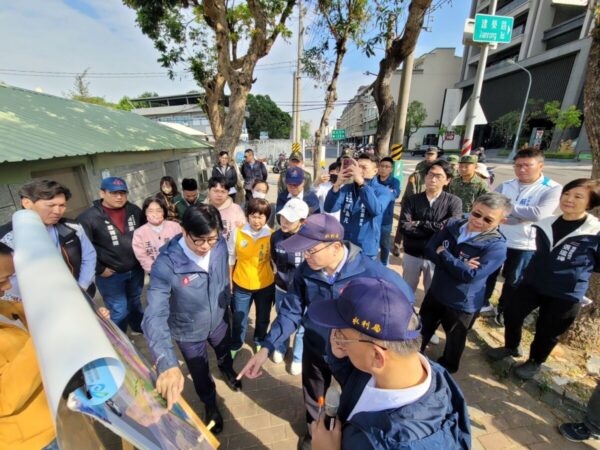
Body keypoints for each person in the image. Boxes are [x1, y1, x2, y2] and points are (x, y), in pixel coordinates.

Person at [238, 214, 413, 448]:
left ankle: (343, 438)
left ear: (336, 246)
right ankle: (314, 432)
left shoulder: (373, 274)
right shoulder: (306, 270)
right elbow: (291, 311)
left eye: (311, 250)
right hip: (316, 345)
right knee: (313, 395)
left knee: (353, 399)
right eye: (303, 251)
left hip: (354, 357)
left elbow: (405, 307)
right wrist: (266, 348)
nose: (305, 256)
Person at [307, 277, 471, 450]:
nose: (335, 338)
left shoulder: (398, 443)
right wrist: (339, 356)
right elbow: (357, 380)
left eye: (342, 336)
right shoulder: (423, 371)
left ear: (377, 357)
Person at [142, 205, 241, 435]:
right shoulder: (165, 265)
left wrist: (227, 300)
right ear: (184, 231)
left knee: (224, 351)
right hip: (188, 331)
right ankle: (210, 404)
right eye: (199, 240)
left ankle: (227, 370)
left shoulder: (219, 246)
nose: (206, 247)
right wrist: (166, 362)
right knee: (199, 372)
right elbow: (155, 314)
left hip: (219, 319)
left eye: (212, 239)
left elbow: (223, 276)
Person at [488, 179, 600, 380]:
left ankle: (535, 361)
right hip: (533, 283)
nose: (569, 199)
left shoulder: (595, 231)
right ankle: (511, 346)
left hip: (565, 292)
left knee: (548, 330)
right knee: (512, 312)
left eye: (578, 196)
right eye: (567, 194)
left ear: (590, 203)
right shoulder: (546, 224)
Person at [421, 193, 511, 373]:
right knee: (422, 330)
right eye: (476, 214)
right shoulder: (453, 225)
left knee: (454, 342)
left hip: (461, 303)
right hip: (436, 291)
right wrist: (459, 265)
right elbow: (429, 250)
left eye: (488, 219)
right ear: (472, 207)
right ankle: (414, 357)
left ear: (502, 221)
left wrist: (445, 254)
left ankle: (446, 370)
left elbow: (470, 276)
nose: (479, 221)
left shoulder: (496, 247)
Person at [486, 149, 562, 327]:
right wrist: (519, 216)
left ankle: (503, 311)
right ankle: (483, 304)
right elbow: (492, 204)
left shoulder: (552, 188)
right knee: (489, 274)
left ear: (540, 166)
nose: (522, 169)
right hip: (498, 238)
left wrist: (507, 208)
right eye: (518, 165)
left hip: (525, 243)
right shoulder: (506, 185)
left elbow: (539, 213)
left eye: (527, 165)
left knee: (513, 281)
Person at [0, 242, 57, 450]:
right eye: (2, 280)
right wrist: (42, 337)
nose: (7, 287)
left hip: (61, 418)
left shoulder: (9, 308)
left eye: (10, 278)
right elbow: (4, 398)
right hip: (33, 441)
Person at [0, 179, 97, 297]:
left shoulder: (72, 227)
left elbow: (89, 256)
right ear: (27, 203)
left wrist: (82, 286)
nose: (57, 211)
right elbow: (9, 281)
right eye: (50, 205)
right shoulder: (6, 239)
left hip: (81, 294)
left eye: (62, 205)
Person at [78, 177, 145, 333]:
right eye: (114, 193)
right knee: (118, 309)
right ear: (102, 193)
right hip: (110, 275)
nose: (119, 197)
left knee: (135, 302)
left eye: (122, 193)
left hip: (135, 269)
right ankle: (120, 338)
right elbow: (83, 247)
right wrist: (99, 269)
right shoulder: (88, 217)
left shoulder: (134, 210)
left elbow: (145, 234)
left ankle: (138, 328)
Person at [399, 160, 462, 294]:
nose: (433, 179)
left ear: (447, 180)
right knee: (405, 292)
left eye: (438, 176)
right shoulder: (412, 200)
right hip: (412, 253)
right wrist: (436, 229)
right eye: (430, 174)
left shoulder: (454, 202)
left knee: (432, 293)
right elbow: (404, 226)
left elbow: (451, 228)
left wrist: (420, 223)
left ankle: (425, 316)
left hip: (436, 256)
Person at [228, 198, 275, 357]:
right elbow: (231, 258)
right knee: (239, 318)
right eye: (253, 216)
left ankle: (259, 340)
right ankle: (236, 343)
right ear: (248, 215)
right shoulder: (238, 232)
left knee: (263, 317)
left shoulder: (271, 235)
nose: (257, 220)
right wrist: (230, 282)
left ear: (267, 217)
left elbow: (274, 261)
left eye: (261, 216)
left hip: (265, 284)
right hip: (241, 283)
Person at [324, 153, 392, 259]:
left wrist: (361, 182)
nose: (359, 170)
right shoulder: (347, 188)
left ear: (375, 171)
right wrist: (337, 184)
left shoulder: (383, 191)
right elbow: (329, 208)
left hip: (366, 249)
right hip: (346, 245)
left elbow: (376, 210)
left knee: (364, 275)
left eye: (364, 167)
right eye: (357, 167)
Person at [270, 198, 309, 375]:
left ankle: (298, 357)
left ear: (302, 221)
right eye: (283, 217)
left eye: (290, 219)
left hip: (304, 292)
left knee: (302, 326)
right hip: (282, 288)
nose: (284, 222)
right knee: (282, 318)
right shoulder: (276, 237)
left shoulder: (310, 239)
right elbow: (274, 259)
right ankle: (280, 347)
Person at [392, 146, 440, 256]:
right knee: (403, 222)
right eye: (428, 154)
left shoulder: (438, 167)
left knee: (421, 223)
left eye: (432, 154)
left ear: (436, 155)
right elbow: (413, 182)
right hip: (414, 195)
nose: (429, 156)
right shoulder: (420, 165)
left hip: (427, 197)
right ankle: (397, 245)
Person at [132, 195, 182, 273]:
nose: (155, 214)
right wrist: (154, 269)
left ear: (163, 211)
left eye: (158, 210)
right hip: (155, 272)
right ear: (145, 212)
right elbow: (142, 256)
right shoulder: (139, 233)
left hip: (179, 268)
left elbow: (183, 247)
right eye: (150, 211)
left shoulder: (175, 226)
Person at [377, 156, 401, 266]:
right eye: (382, 166)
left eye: (387, 167)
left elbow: (393, 195)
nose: (383, 169)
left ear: (391, 169)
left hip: (386, 219)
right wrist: (386, 191)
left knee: (384, 244)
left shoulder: (394, 182)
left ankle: (384, 266)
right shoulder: (373, 179)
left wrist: (377, 192)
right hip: (372, 218)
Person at [206, 176, 246, 241]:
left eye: (223, 192)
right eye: (216, 191)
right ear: (209, 190)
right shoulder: (201, 209)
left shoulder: (236, 209)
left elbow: (244, 229)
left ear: (228, 193)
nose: (219, 195)